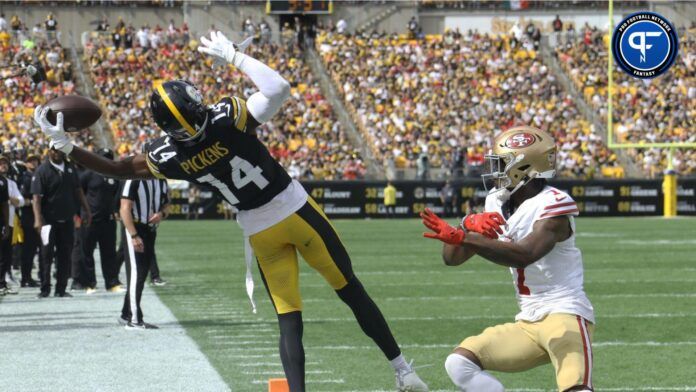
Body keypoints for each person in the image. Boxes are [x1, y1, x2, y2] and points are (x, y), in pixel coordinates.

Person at [34, 31, 428, 391]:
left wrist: (69, 148)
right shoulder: (227, 118)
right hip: (294, 210)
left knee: (289, 318)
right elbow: (279, 88)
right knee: (350, 290)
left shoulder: (169, 156)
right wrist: (234, 56)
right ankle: (402, 371)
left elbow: (119, 168)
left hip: (259, 230)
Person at [420, 126, 594, 392]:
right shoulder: (497, 200)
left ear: (524, 168)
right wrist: (465, 227)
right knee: (459, 363)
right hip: (527, 321)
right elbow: (452, 259)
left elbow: (525, 255)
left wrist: (465, 235)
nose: (495, 170)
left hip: (565, 315)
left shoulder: (554, 205)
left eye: (501, 164)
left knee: (576, 389)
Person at [31, 149, 92, 298]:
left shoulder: (70, 168)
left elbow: (78, 191)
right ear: (49, 151)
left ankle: (61, 288)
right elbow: (36, 198)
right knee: (46, 254)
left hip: (66, 219)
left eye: (59, 150)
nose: (57, 152)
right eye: (54, 150)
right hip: (47, 221)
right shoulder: (42, 170)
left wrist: (87, 210)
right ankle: (45, 288)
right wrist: (38, 219)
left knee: (65, 254)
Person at [118, 177, 169, 329]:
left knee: (141, 274)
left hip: (150, 229)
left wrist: (161, 214)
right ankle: (134, 320)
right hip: (135, 227)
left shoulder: (161, 179)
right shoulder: (133, 179)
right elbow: (124, 208)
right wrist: (133, 235)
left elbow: (167, 205)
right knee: (136, 274)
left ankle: (126, 314)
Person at [80, 149, 123, 292]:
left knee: (109, 253)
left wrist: (117, 210)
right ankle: (89, 284)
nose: (106, 160)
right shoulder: (88, 174)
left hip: (108, 220)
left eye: (109, 158)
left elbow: (118, 195)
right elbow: (78, 192)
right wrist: (80, 214)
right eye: (103, 158)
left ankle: (112, 283)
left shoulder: (115, 176)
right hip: (90, 220)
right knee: (87, 252)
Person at [0, 155, 23, 293]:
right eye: (1, 163)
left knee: (6, 254)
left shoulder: (11, 183)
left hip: (8, 222)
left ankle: (3, 280)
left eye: (5, 163)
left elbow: (20, 201)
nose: (3, 165)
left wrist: (7, 198)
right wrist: (9, 199)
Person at [19, 153, 40, 287]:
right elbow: (22, 199)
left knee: (36, 249)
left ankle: (32, 277)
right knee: (28, 249)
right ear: (26, 164)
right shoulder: (24, 178)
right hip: (28, 217)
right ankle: (25, 277)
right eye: (30, 161)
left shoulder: (39, 176)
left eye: (35, 160)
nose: (33, 163)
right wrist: (34, 201)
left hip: (39, 216)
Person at [0, 164, 11, 295]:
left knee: (2, 255)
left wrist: (7, 225)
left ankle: (1, 282)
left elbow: (4, 205)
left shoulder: (3, 181)